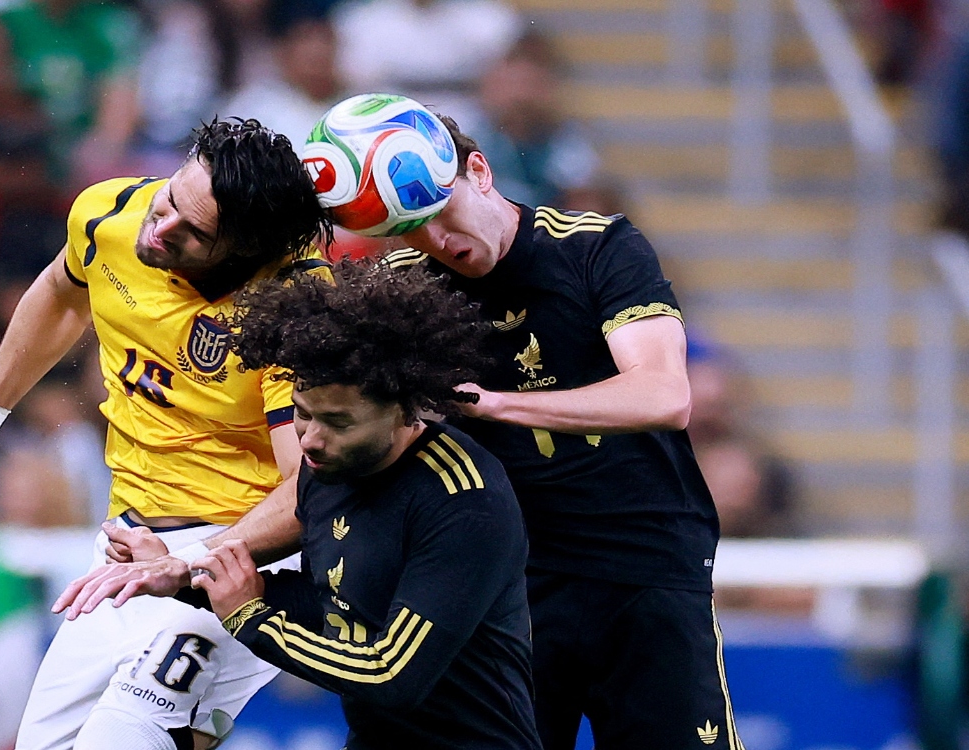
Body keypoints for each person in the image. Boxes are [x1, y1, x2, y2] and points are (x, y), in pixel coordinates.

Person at [57, 105, 741, 750]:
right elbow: (332, 464)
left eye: (439, 213)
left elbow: (662, 394)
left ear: (478, 170)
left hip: (644, 568)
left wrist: (494, 403)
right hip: (509, 586)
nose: (436, 242)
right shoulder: (404, 291)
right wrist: (192, 566)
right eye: (406, 230)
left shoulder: (597, 248)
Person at [0, 117, 332, 750]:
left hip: (245, 558)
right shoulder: (111, 212)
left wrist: (186, 570)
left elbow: (310, 493)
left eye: (194, 233)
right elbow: (60, 291)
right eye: (169, 200)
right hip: (128, 545)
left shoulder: (294, 307)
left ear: (245, 251)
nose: (159, 227)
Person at [170, 261, 541, 749]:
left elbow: (391, 676)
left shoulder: (464, 501)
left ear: (404, 410)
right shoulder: (330, 468)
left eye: (339, 422)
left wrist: (250, 617)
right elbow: (338, 606)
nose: (311, 441)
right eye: (303, 415)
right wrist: (185, 578)